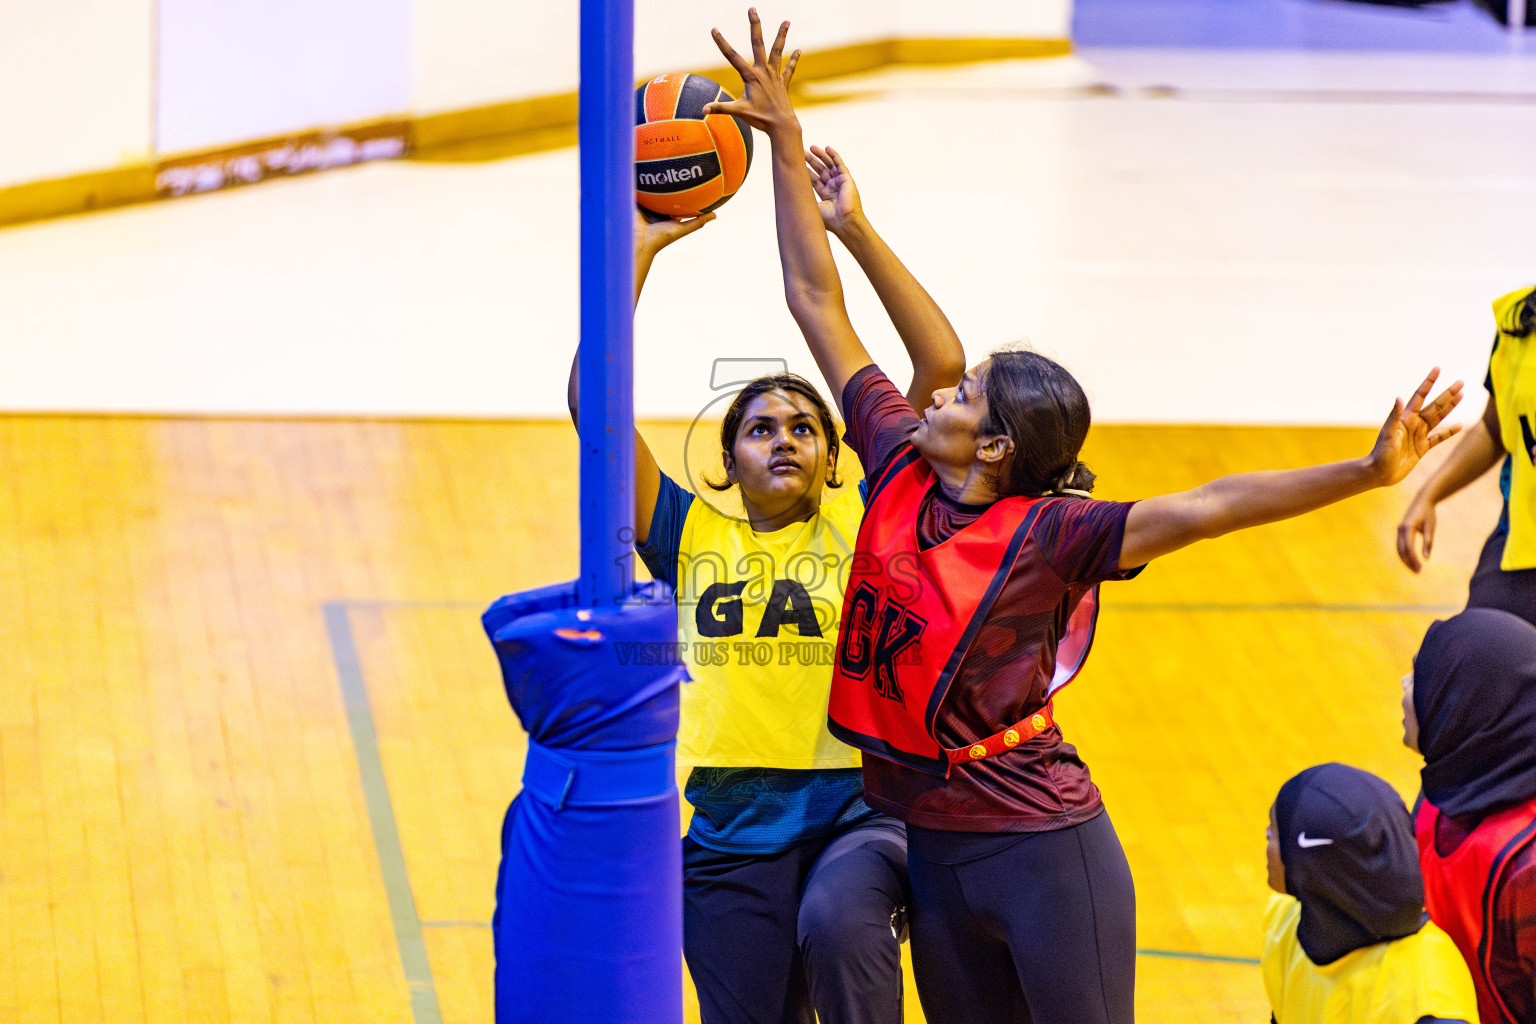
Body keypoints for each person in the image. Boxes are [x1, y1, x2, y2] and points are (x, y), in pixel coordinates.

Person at [703, 11, 1466, 1023]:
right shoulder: (892, 458)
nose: (941, 388)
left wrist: (1368, 472)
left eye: (966, 391)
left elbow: (1210, 504)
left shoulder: (1052, 537)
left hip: (1043, 849)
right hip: (933, 843)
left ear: (998, 451)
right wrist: (787, 148)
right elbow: (814, 297)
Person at [566, 145, 964, 1022]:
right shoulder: (684, 533)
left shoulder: (870, 523)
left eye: (803, 427)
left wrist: (853, 226)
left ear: (832, 460)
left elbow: (940, 365)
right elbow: (595, 410)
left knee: (842, 931)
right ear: (727, 459)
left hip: (858, 815)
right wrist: (635, 256)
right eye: (759, 428)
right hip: (729, 836)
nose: (782, 437)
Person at [1261, 762, 1477, 1024]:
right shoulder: (1285, 919)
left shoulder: (1428, 996)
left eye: (1277, 831)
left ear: (1315, 862)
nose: (1267, 834)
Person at [1406, 607, 1536, 1024]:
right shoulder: (1440, 798)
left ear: (1466, 703)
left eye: (1424, 675)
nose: (1406, 687)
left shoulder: (1527, 868)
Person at [1398, 284, 1536, 625]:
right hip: (1518, 549)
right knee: (1475, 654)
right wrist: (1429, 495)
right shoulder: (1518, 318)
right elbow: (1494, 428)